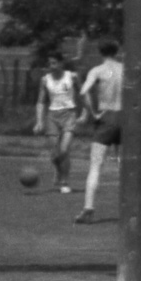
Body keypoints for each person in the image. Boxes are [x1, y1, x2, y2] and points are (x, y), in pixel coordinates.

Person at [76, 39, 124, 224]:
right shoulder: (126, 69)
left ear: (100, 52)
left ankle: (88, 209)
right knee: (125, 166)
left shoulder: (98, 70)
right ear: (117, 51)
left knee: (96, 165)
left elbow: (83, 91)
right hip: (126, 118)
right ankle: (131, 208)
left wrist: (93, 113)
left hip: (106, 117)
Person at [33, 47, 82, 194]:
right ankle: (58, 169)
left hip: (69, 114)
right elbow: (41, 101)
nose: (51, 66)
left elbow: (83, 94)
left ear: (61, 63)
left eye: (54, 63)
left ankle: (64, 182)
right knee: (55, 154)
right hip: (52, 116)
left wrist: (85, 112)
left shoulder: (72, 76)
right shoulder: (45, 80)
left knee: (64, 150)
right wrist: (39, 121)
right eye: (49, 63)